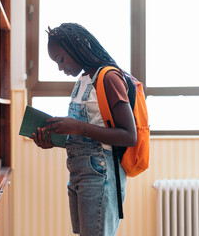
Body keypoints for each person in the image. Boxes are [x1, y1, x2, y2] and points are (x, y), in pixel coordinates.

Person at [31, 23, 137, 236]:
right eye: (56, 62)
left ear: (79, 46)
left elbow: (129, 136)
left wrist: (78, 127)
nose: (61, 68)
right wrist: (54, 140)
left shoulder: (108, 78)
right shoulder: (81, 82)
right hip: (79, 173)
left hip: (100, 174)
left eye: (61, 59)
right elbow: (85, 137)